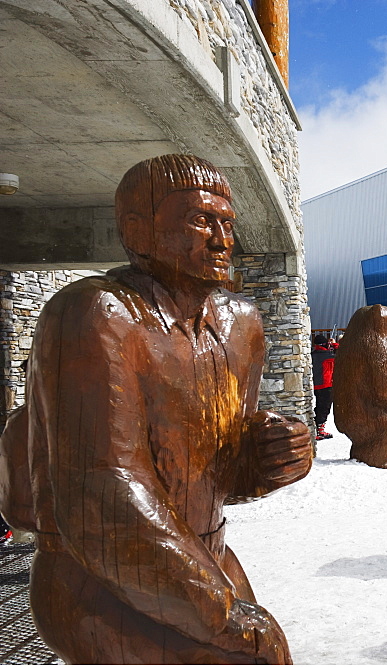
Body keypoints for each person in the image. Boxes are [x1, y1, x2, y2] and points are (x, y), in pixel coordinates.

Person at [10, 155, 312, 663]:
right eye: (199, 220)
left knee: (265, 656)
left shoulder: (241, 325)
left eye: (226, 224)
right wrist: (217, 616)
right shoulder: (97, 313)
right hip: (95, 577)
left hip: (198, 555)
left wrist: (274, 454)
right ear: (138, 231)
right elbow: (104, 497)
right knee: (250, 657)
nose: (221, 240)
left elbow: (222, 473)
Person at [312, 333, 336, 440]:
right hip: (325, 385)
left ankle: (317, 428)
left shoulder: (315, 353)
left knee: (319, 406)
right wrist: (334, 344)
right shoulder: (326, 355)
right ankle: (320, 431)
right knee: (324, 408)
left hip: (317, 385)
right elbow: (340, 354)